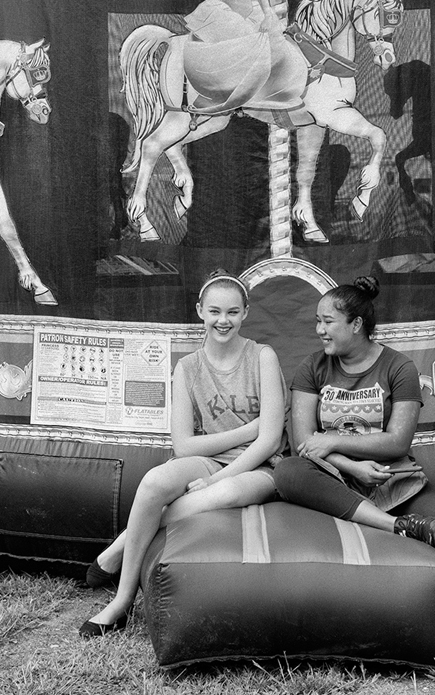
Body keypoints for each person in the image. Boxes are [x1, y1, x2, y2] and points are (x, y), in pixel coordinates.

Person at [79, 272, 285, 637]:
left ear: (246, 313)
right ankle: (122, 600)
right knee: (154, 482)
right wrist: (248, 429)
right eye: (215, 311)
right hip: (210, 457)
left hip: (259, 467)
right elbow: (184, 446)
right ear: (200, 311)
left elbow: (268, 442)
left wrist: (216, 479)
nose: (223, 321)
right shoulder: (188, 367)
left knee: (223, 493)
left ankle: (121, 545)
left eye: (232, 312)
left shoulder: (262, 357)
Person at [274, 275, 435, 605]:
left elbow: (397, 442)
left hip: (389, 477)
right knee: (288, 471)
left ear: (356, 324)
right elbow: (304, 441)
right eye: (318, 321)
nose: (319, 330)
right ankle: (397, 525)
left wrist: (332, 441)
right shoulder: (312, 367)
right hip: (334, 476)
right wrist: (349, 466)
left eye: (328, 321)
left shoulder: (399, 367)